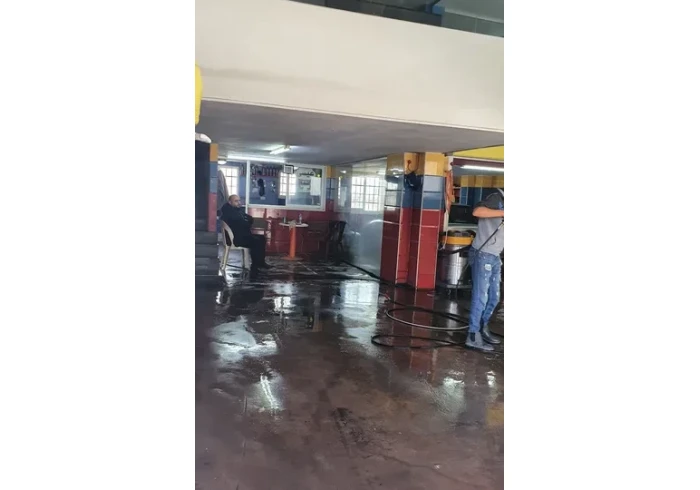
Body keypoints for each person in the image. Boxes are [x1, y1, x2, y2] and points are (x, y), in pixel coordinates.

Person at [466, 189, 504, 352]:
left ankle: (482, 328)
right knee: (481, 296)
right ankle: (473, 335)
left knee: (494, 297)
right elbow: (477, 212)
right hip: (483, 254)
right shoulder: (496, 198)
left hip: (495, 256)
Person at [219, 195, 270, 271]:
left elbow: (249, 219)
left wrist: (246, 221)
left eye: (239, 200)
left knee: (262, 238)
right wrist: (246, 221)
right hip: (237, 239)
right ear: (230, 202)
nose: (239, 203)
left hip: (241, 235)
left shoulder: (236, 210)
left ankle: (261, 263)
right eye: (236, 201)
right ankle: (255, 265)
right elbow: (243, 223)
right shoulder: (229, 212)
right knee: (256, 241)